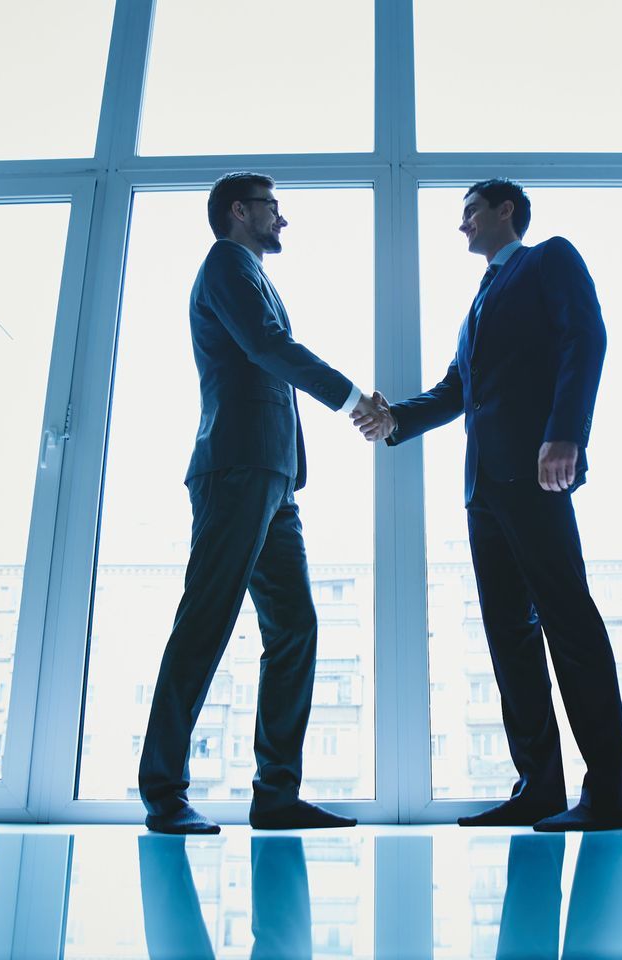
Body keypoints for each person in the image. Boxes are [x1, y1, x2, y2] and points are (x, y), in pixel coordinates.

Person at [356, 179, 622, 832]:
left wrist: (565, 433)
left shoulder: (549, 259)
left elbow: (586, 338)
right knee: (509, 635)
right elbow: (456, 389)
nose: (463, 226)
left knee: (569, 622)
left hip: (537, 472)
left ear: (505, 210)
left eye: (470, 213)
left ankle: (611, 795)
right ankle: (538, 787)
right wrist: (394, 420)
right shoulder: (478, 304)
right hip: (483, 489)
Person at [137, 172, 380, 834]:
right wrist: (353, 399)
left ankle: (276, 794)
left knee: (295, 627)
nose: (283, 219)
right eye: (274, 208)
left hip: (273, 477)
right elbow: (269, 347)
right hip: (238, 468)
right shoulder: (226, 263)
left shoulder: (250, 273)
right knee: (206, 623)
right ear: (240, 211)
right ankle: (163, 794)